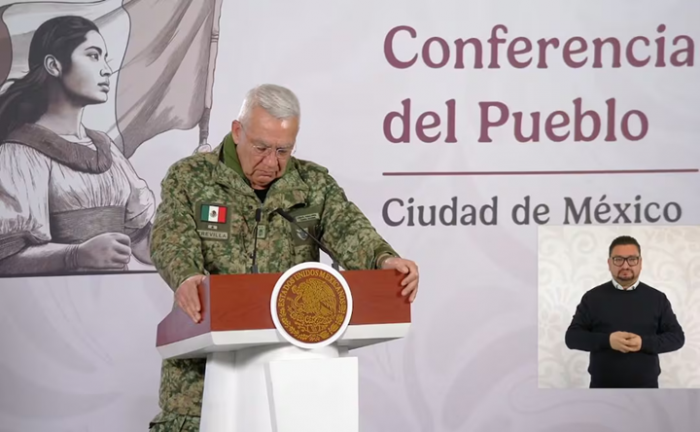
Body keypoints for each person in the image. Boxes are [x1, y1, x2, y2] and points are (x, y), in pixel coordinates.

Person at [147, 83, 420, 430]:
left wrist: (384, 260)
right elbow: (171, 237)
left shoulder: (313, 184)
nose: (271, 162)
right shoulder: (190, 177)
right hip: (202, 379)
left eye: (283, 150)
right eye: (261, 148)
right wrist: (186, 276)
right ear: (237, 131)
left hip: (294, 377)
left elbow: (349, 230)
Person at [0, 15, 155, 276]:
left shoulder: (106, 149)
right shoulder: (19, 153)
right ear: (54, 65)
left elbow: (141, 243)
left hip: (118, 296)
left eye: (105, 58)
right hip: (54, 299)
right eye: (93, 56)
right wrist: (76, 255)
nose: (106, 69)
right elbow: (5, 258)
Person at [564, 235, 684, 388]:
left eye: (632, 259)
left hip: (646, 389)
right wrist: (608, 341)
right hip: (602, 388)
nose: (625, 265)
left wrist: (643, 343)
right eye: (618, 259)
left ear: (640, 263)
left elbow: (677, 338)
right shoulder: (592, 298)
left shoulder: (657, 298)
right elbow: (572, 338)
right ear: (609, 263)